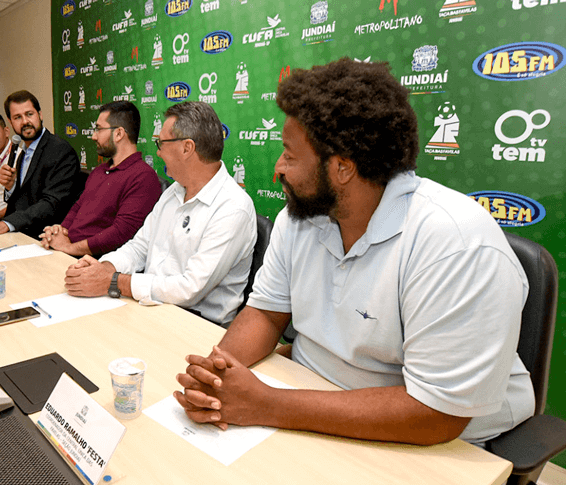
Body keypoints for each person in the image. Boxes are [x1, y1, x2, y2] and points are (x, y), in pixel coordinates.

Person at [174, 58, 535, 446]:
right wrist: (216, 376)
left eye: (290, 155)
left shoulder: (456, 244)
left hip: (430, 438)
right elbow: (265, 312)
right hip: (309, 400)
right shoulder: (300, 218)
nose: (278, 168)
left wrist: (266, 404)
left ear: (343, 167)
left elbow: (437, 416)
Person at [64, 101, 257, 327]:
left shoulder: (232, 208)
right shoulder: (173, 192)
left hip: (196, 325)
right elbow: (139, 247)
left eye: (161, 143)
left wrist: (113, 282)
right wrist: (104, 268)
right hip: (150, 308)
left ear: (187, 148)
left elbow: (189, 289)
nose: (157, 152)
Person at [40, 101, 161, 257]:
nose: (93, 136)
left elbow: (120, 234)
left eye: (98, 129)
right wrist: (59, 231)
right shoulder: (99, 171)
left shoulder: (143, 177)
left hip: (93, 264)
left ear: (118, 133)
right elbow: (78, 207)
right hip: (66, 255)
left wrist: (69, 248)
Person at [0, 91, 80, 239]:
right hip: (23, 230)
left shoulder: (60, 150)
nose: (25, 121)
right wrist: (11, 187)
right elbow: (26, 197)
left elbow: (52, 203)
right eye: (17, 117)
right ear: (11, 122)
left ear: (40, 115)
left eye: (29, 114)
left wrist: (7, 224)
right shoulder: (24, 151)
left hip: (46, 235)